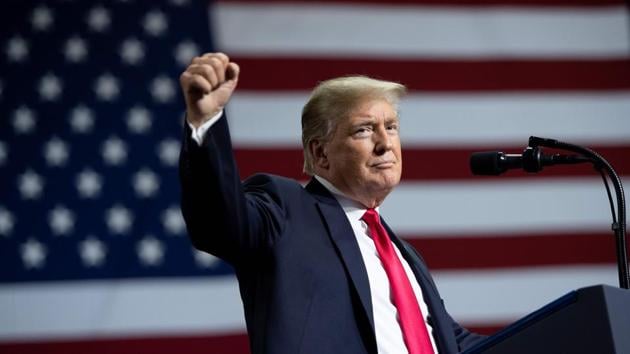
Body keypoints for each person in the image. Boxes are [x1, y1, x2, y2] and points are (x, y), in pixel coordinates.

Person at [179, 52, 485, 354]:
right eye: (364, 129)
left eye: (391, 127)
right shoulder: (285, 210)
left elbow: (449, 341)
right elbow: (218, 221)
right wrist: (206, 122)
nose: (385, 143)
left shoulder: (403, 254)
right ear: (320, 154)